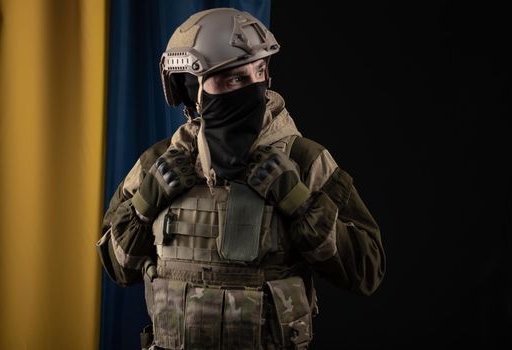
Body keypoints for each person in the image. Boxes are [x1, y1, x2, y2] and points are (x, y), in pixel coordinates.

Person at [97, 7, 386, 350]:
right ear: (192, 88)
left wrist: (301, 204)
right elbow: (118, 270)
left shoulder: (303, 160)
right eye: (233, 78)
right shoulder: (158, 163)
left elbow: (367, 271)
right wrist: (146, 202)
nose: (252, 89)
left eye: (259, 72)